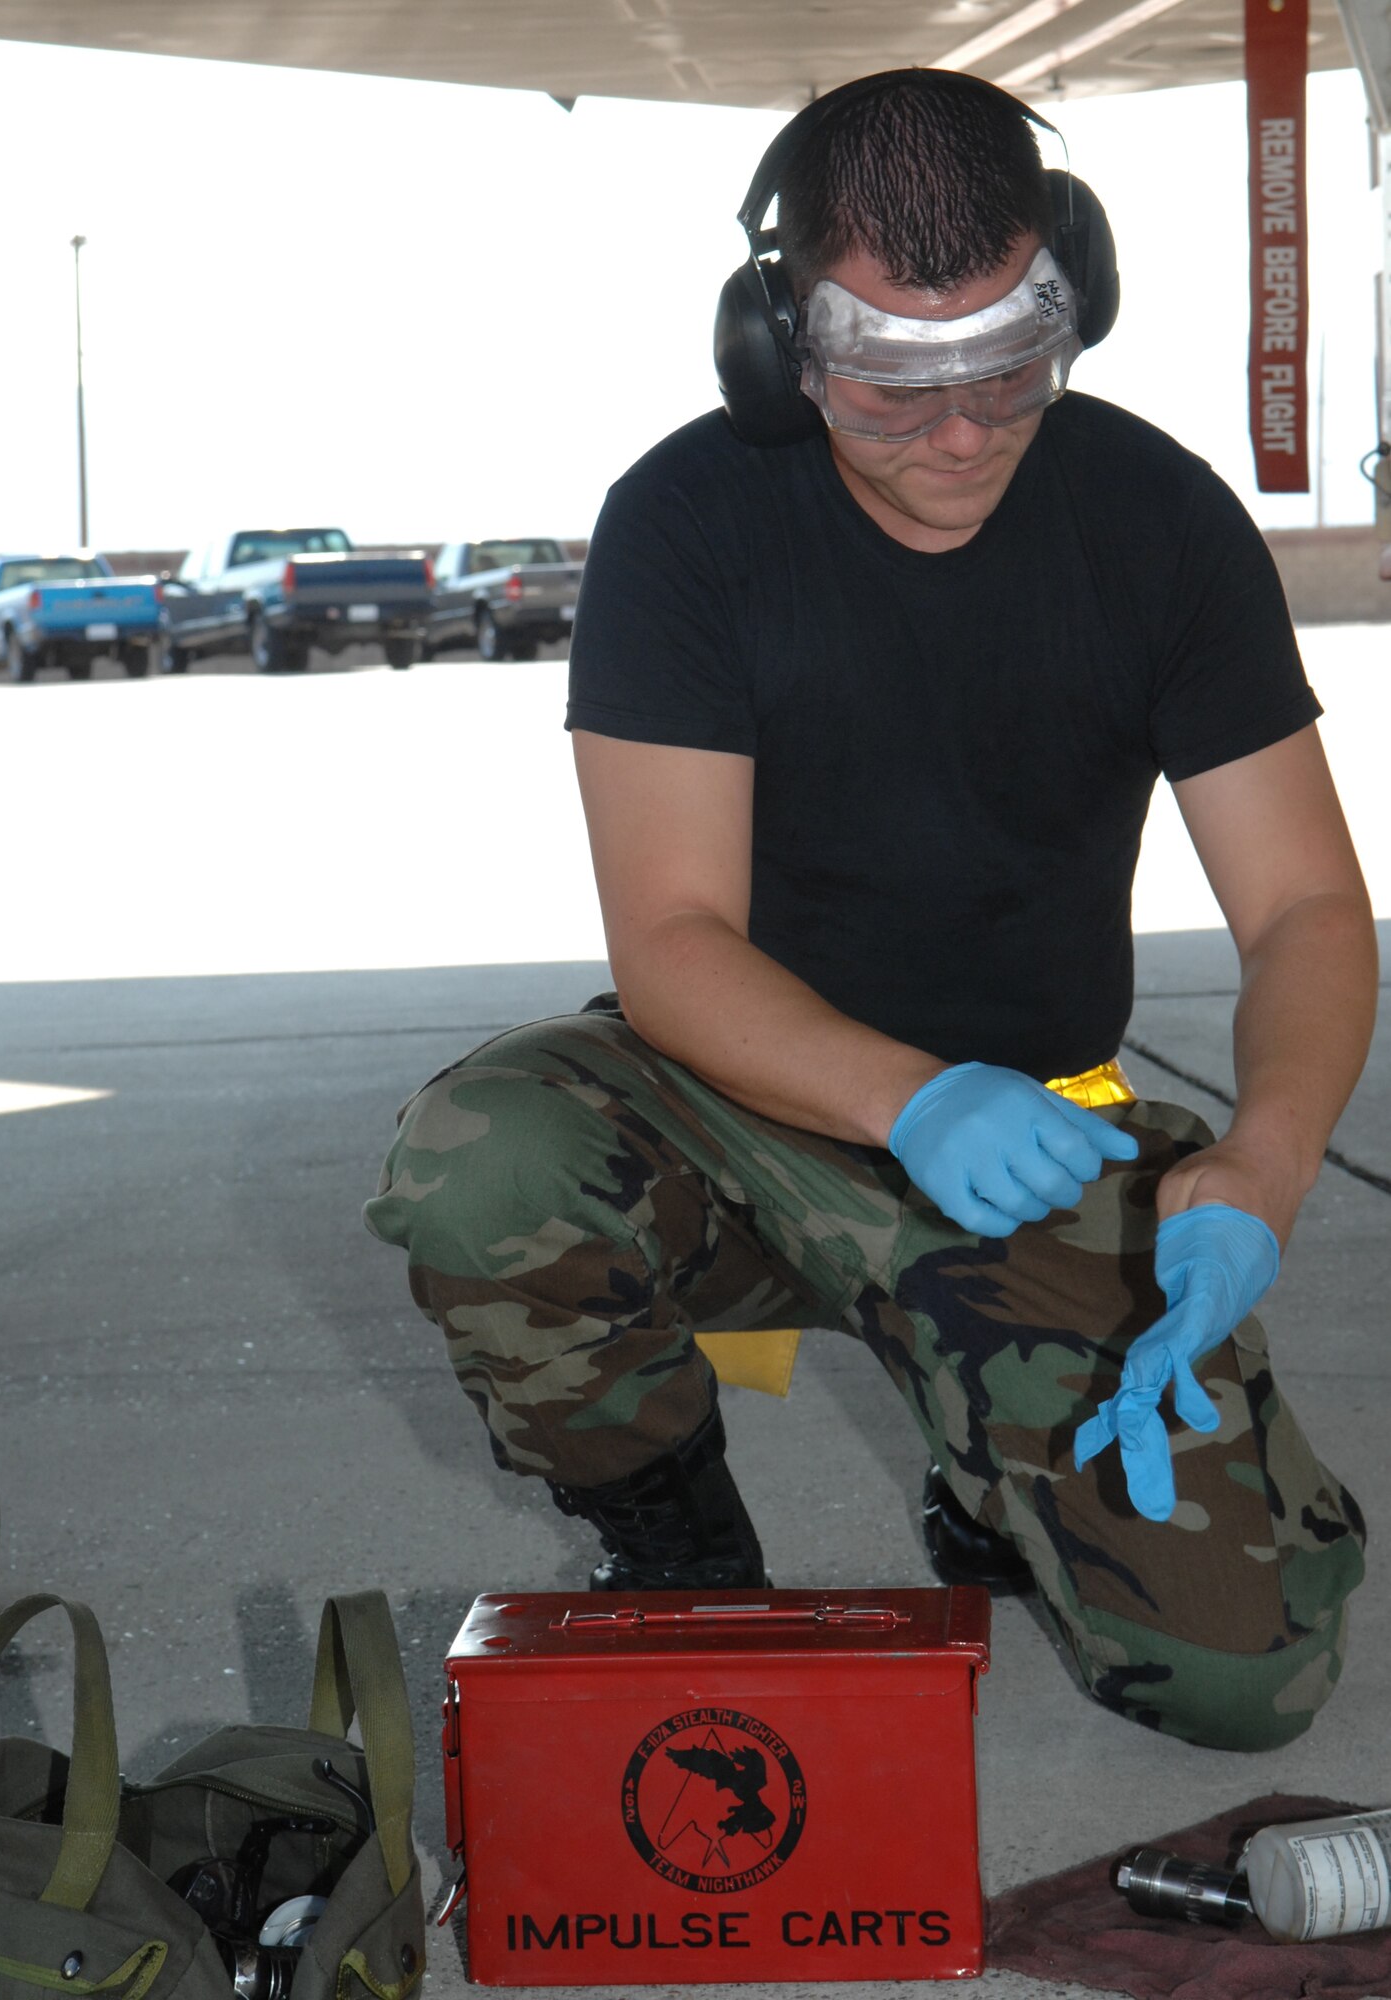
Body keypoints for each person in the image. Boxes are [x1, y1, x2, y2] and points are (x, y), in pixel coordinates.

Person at [365, 68, 1374, 1751]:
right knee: (486, 1159)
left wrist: (1256, 1169)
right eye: (890, 386)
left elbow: (1306, 912)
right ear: (780, 347)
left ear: (1074, 299)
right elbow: (672, 944)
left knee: (1240, 1680)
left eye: (1004, 364)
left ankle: (990, 1481)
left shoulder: (1157, 522)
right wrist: (906, 1097)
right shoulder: (688, 526)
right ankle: (676, 1544)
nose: (962, 431)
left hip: (1033, 1138)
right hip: (735, 1107)